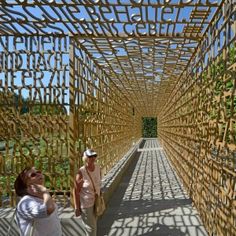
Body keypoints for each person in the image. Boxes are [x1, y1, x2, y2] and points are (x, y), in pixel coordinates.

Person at [14, 166, 62, 236]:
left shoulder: (42, 197)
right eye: (33, 175)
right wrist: (45, 192)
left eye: (39, 172)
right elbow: (48, 209)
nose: (39, 174)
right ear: (26, 184)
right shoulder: (26, 202)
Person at [74, 149, 102, 236]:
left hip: (96, 201)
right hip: (86, 204)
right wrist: (77, 207)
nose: (93, 158)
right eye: (90, 156)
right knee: (91, 228)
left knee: (93, 225)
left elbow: (98, 183)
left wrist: (100, 194)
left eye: (94, 156)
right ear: (85, 158)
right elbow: (75, 190)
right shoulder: (81, 172)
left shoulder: (97, 167)